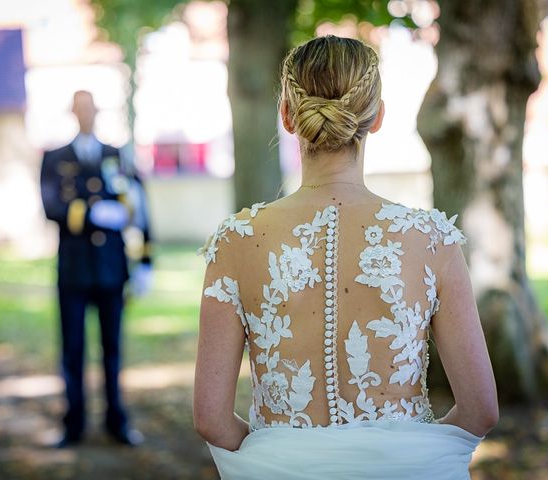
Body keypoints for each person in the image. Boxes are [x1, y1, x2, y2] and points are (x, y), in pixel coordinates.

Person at [193, 36, 498, 479]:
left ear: (287, 115)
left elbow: (210, 419)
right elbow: (481, 410)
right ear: (376, 118)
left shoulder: (235, 241)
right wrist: (407, 457)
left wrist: (279, 459)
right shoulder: (431, 240)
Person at [40, 90, 153, 448]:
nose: (86, 114)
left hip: (110, 269)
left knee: (112, 349)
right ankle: (72, 425)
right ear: (72, 112)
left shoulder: (115, 154)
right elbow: (51, 205)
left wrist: (146, 259)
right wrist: (91, 214)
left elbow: (140, 205)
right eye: (80, 108)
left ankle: (116, 422)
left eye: (90, 107)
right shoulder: (54, 157)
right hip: (73, 270)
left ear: (97, 111)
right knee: (72, 350)